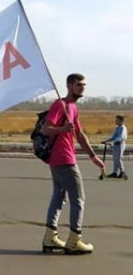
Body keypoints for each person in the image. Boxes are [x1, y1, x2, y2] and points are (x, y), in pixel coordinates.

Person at [41, 73, 105, 254]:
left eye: (84, 84)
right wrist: (62, 129)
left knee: (58, 197)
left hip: (60, 158)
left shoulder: (73, 107)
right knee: (78, 199)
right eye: (79, 84)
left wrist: (93, 156)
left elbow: (79, 134)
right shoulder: (59, 105)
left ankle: (50, 237)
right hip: (63, 159)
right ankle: (74, 240)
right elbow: (46, 129)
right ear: (69, 86)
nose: (82, 87)